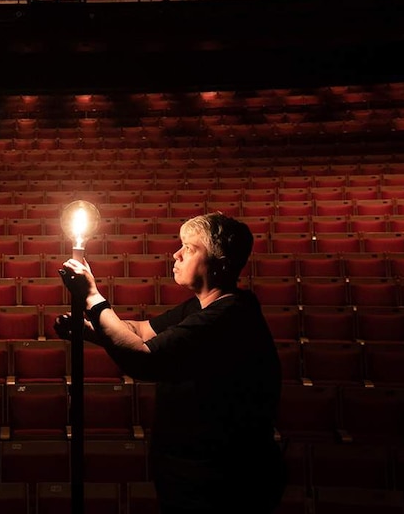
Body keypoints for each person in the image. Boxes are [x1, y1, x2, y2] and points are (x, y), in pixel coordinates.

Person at [58, 211, 286, 514]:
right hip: (191, 472)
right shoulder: (206, 305)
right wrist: (92, 330)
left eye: (189, 249)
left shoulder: (227, 317)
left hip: (222, 482)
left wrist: (91, 298)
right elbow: (141, 331)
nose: (176, 254)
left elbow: (142, 358)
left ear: (220, 262)